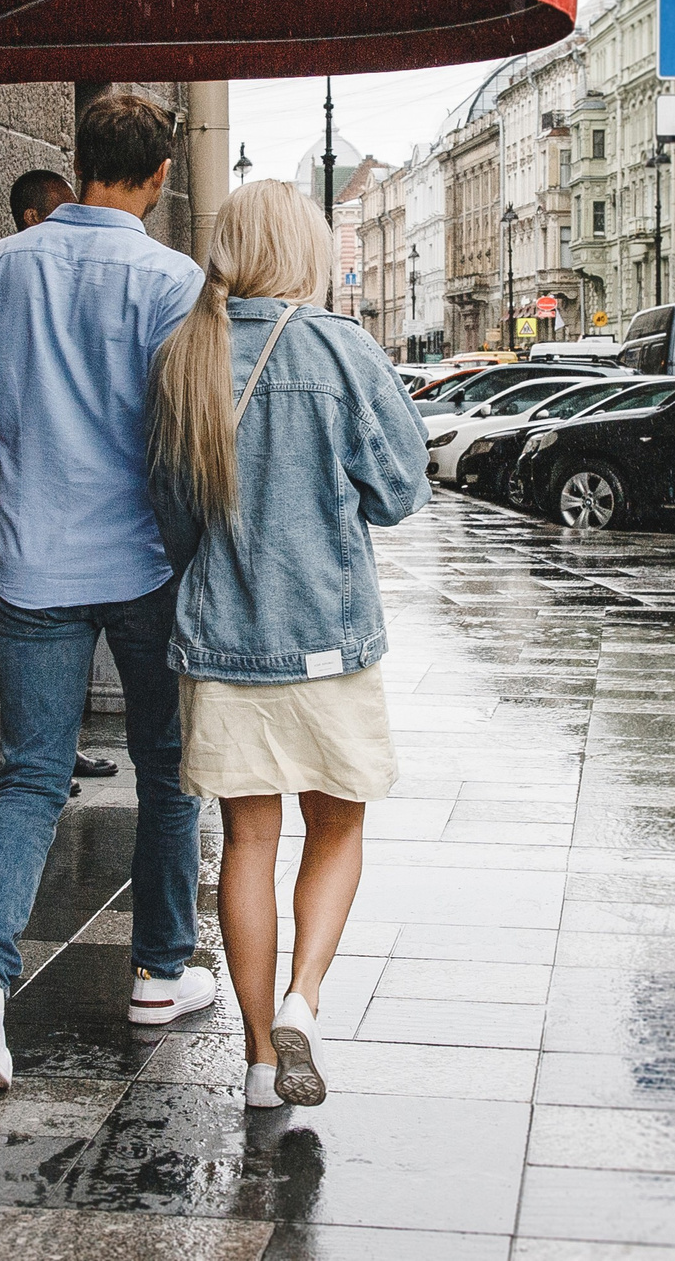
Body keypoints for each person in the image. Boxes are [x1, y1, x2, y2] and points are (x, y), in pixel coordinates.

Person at [0, 94, 215, 1090]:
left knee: (31, 782)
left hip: (32, 559)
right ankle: (161, 970)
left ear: (78, 163)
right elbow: (196, 431)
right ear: (160, 178)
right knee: (168, 773)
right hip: (148, 564)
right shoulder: (174, 281)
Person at [146, 179, 428, 1109]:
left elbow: (175, 525)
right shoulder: (342, 348)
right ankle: (305, 999)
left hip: (222, 642)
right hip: (328, 643)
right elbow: (399, 492)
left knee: (246, 843)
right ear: (303, 248)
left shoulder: (184, 354)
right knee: (337, 825)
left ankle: (262, 1059)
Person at [0, 169, 121, 793]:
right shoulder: (2, 276)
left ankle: (54, 747)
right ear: (34, 217)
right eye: (63, 213)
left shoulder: (79, 276)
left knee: (59, 609)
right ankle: (14, 752)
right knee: (18, 612)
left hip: (69, 474)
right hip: (21, 467)